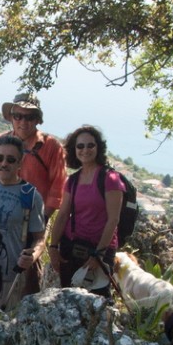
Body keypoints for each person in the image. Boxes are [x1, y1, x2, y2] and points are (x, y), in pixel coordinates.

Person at [0, 93, 66, 295]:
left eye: (29, 117)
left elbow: (57, 189)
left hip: (34, 219)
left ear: (37, 120)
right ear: (11, 117)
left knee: (27, 276)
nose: (23, 121)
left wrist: (38, 220)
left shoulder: (51, 146)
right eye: (18, 116)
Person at [47, 125, 124, 299]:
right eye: (80, 146)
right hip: (71, 247)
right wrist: (53, 247)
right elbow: (63, 214)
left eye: (90, 145)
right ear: (74, 150)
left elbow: (113, 219)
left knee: (98, 301)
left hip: (98, 250)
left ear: (98, 147)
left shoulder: (110, 179)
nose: (85, 150)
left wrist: (99, 254)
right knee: (68, 298)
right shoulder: (73, 180)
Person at [0, 134, 45, 304]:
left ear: (20, 163)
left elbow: (40, 238)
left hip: (10, 278)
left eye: (11, 160)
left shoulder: (31, 196)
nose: (4, 163)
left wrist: (31, 257)